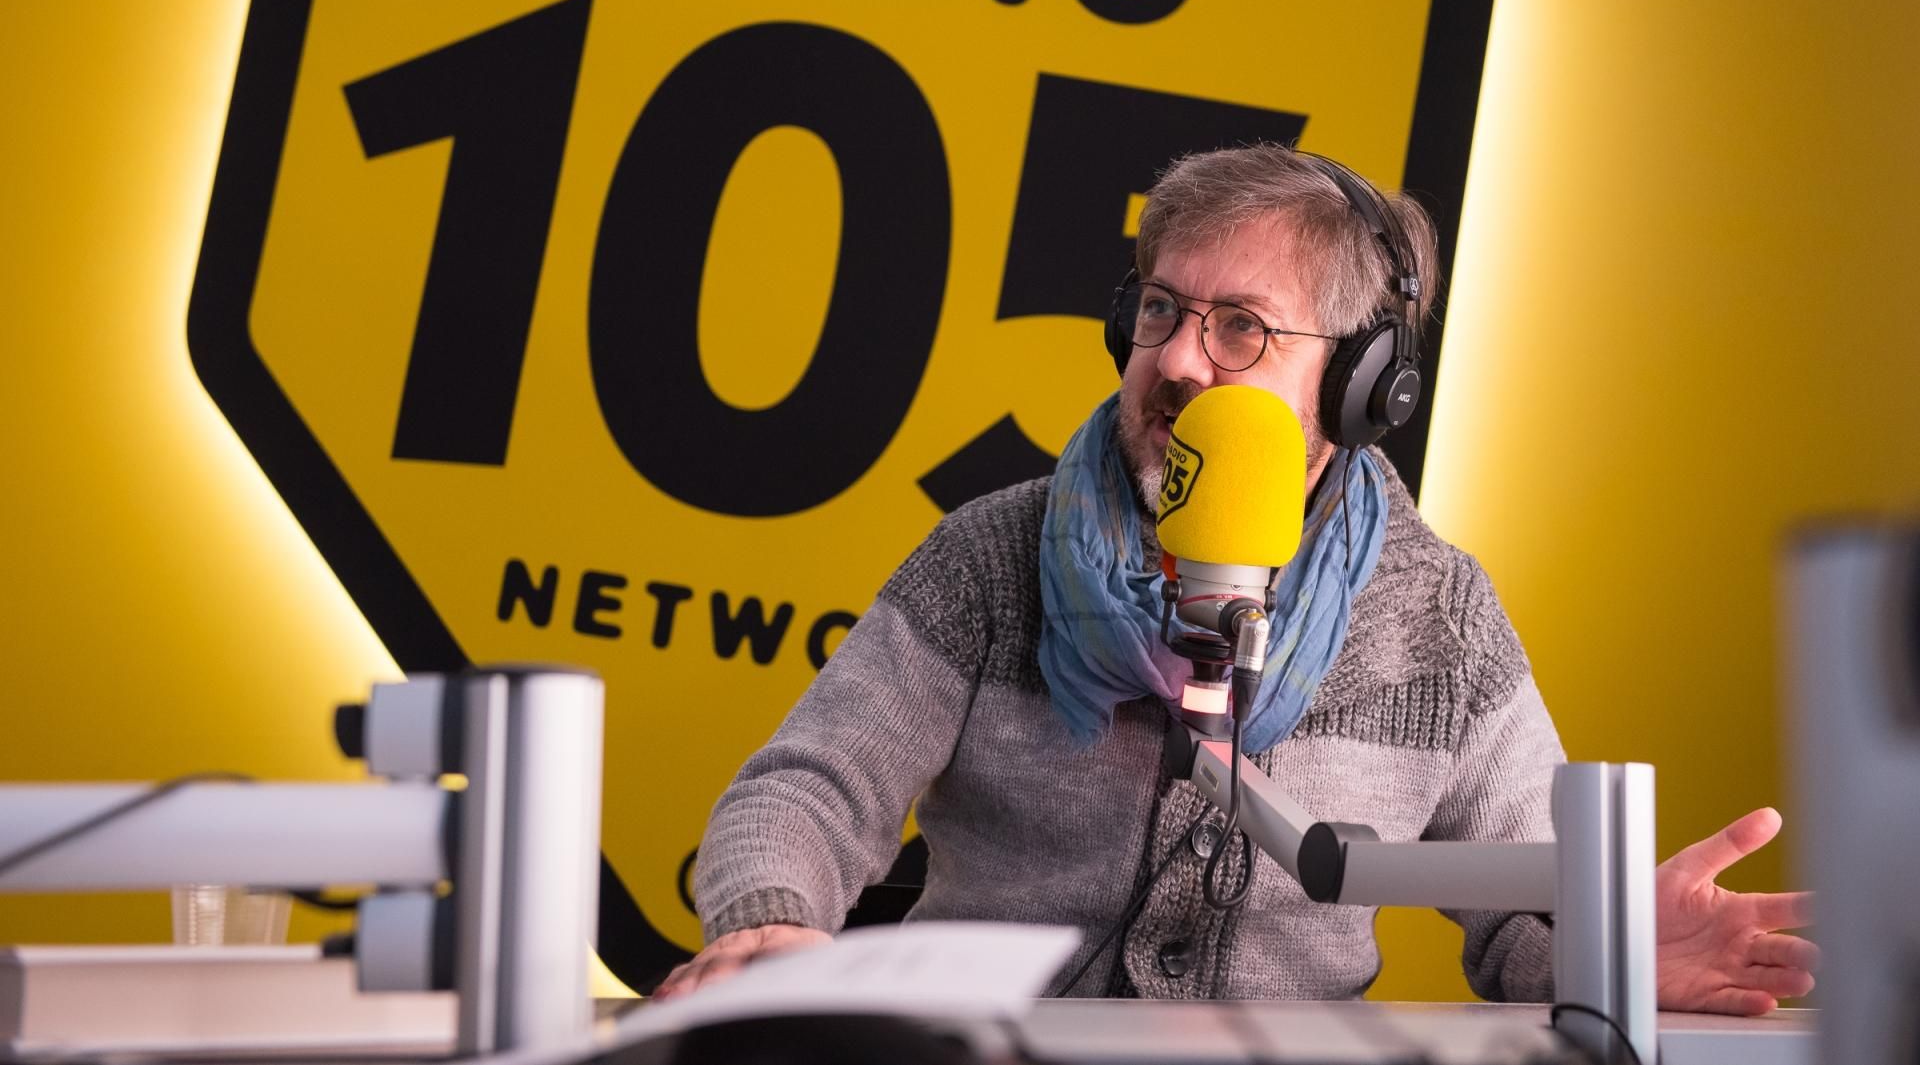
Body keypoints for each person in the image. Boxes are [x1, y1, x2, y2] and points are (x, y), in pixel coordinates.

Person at [660, 145, 1816, 1012]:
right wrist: (771, 924)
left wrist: (1609, 953)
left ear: (1361, 386)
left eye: (1240, 329)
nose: (1172, 358)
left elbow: (1525, 910)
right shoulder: (992, 555)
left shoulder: (1439, 616)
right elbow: (807, 793)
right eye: (1162, 309)